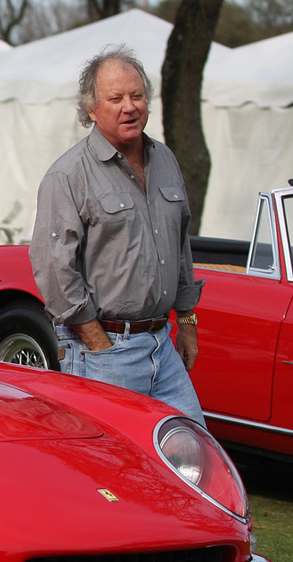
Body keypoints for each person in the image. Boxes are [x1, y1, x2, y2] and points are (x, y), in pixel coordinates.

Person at [30, 44, 205, 423]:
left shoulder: (166, 160)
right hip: (107, 354)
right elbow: (54, 269)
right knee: (109, 473)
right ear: (91, 109)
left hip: (163, 347)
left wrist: (186, 323)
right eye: (116, 98)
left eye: (137, 95)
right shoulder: (69, 175)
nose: (130, 106)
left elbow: (180, 245)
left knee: (191, 460)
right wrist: (99, 344)